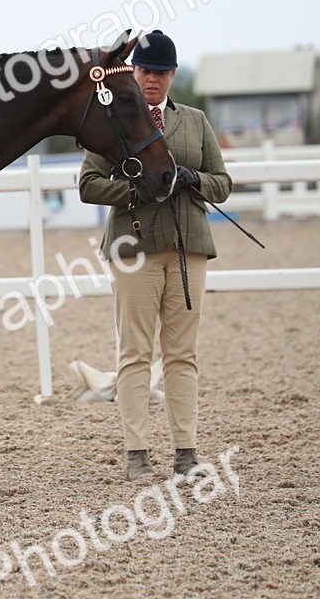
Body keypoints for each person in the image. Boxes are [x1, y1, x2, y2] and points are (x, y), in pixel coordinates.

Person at [79, 30, 233, 481]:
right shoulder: (115, 117)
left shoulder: (195, 121)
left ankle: (186, 452)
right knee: (135, 353)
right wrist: (135, 192)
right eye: (147, 71)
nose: (153, 79)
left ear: (173, 75)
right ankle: (137, 454)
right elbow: (88, 184)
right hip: (134, 248)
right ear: (134, 72)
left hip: (189, 247)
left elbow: (222, 182)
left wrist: (194, 179)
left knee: (183, 354)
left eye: (162, 73)